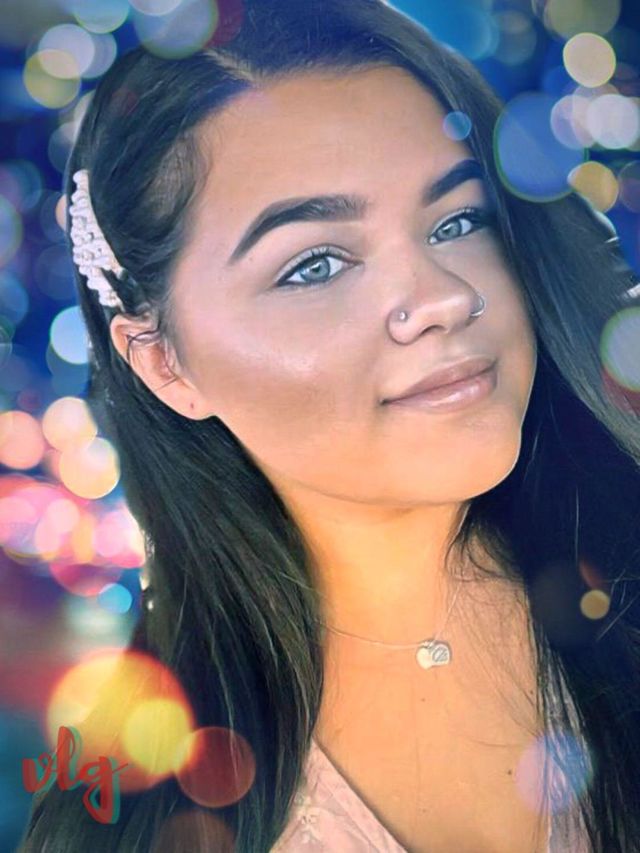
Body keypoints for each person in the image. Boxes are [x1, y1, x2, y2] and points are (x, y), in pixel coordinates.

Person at [19, 1, 640, 851]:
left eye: (458, 220)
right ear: (164, 363)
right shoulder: (138, 810)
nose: (445, 297)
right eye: (315, 264)